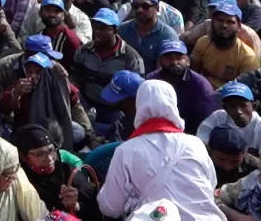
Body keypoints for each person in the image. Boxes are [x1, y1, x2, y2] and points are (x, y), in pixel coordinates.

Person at [96, 79, 225, 220]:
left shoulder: (126, 151)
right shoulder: (196, 143)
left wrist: (131, 201)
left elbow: (110, 208)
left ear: (139, 106)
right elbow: (210, 186)